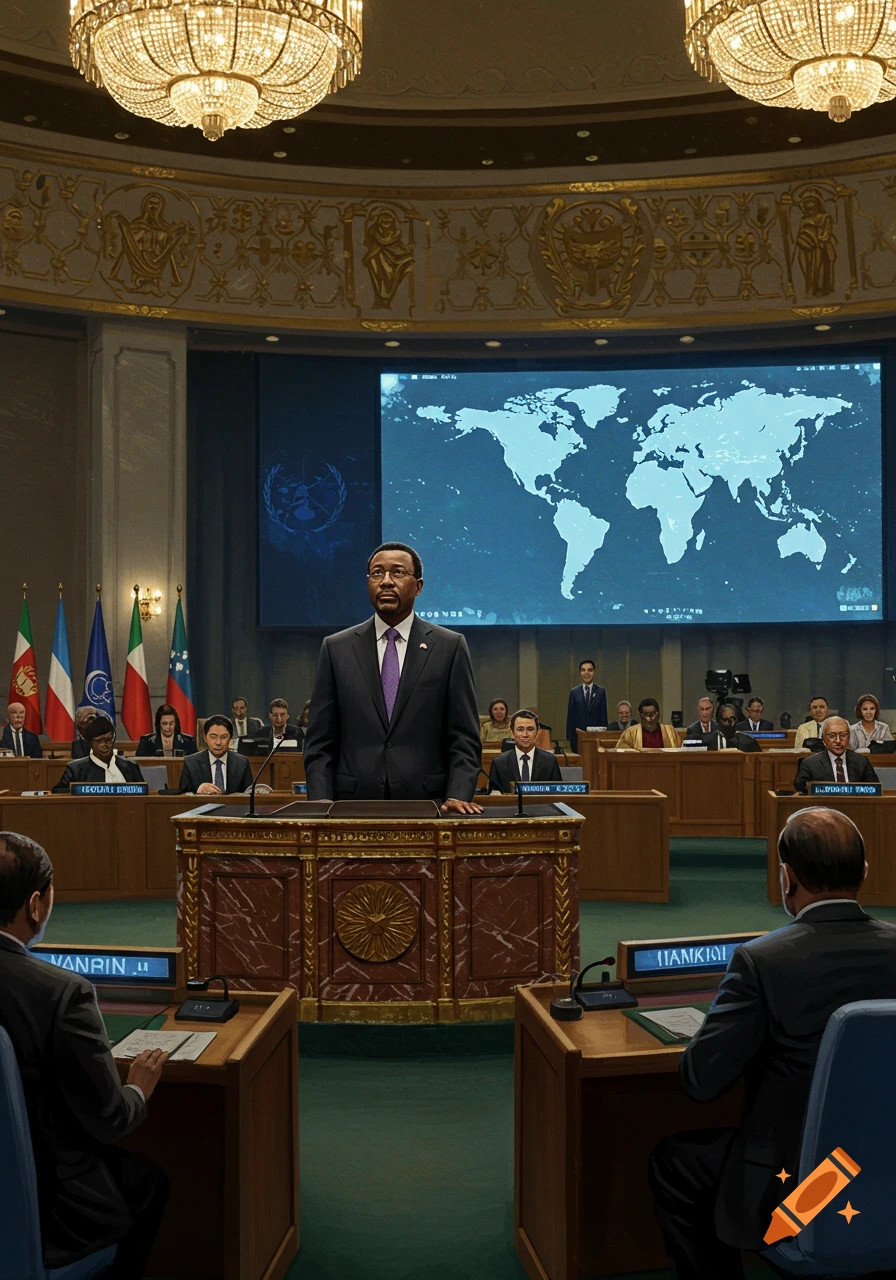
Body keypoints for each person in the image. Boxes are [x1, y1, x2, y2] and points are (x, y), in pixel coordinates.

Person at [648, 807, 896, 1279]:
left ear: (787, 877)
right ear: (864, 873)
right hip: (885, 1175)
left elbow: (700, 1080)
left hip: (806, 1194)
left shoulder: (762, 960)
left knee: (675, 1163)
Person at [0, 831, 170, 1276]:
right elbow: (110, 1119)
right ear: (35, 906)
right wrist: (137, 1088)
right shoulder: (62, 993)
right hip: (44, 1204)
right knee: (146, 1184)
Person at [303, 541, 482, 812]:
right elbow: (320, 740)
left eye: (397, 572)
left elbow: (464, 735)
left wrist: (459, 793)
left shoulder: (449, 647)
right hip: (350, 806)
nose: (386, 581)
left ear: (418, 586)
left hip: (428, 805)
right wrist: (320, 801)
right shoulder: (336, 648)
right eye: (377, 573)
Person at [52, 717, 146, 792]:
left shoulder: (130, 766)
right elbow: (58, 793)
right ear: (90, 742)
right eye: (99, 741)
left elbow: (144, 793)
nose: (104, 745)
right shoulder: (75, 769)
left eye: (108, 740)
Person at [794, 716, 880, 793]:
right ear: (823, 739)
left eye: (843, 735)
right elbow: (801, 792)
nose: (838, 741)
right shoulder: (810, 764)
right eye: (832, 736)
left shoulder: (862, 762)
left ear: (849, 737)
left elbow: (874, 791)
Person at [487, 711, 562, 792]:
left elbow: (558, 793)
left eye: (530, 729)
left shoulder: (550, 761)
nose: (525, 734)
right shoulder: (499, 762)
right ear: (512, 733)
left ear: (537, 733)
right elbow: (493, 794)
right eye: (520, 729)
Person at [178, 715, 252, 794]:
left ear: (230, 738)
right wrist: (198, 791)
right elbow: (183, 795)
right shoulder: (191, 763)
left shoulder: (242, 763)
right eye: (213, 737)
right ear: (205, 737)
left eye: (223, 737)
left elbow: (250, 794)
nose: (218, 742)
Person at [566, 660, 608, 752]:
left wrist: (604, 735)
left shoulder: (601, 692)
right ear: (580, 673)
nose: (586, 673)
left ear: (594, 672)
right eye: (583, 670)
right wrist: (569, 735)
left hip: (595, 737)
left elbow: (603, 716)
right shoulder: (574, 692)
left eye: (590, 670)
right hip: (578, 736)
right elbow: (570, 716)